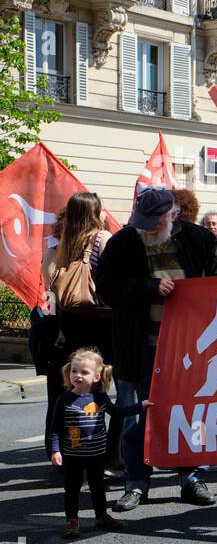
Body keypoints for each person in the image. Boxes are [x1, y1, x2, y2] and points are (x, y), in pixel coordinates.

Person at [95, 186, 217, 511]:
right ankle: (136, 482)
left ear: (170, 216)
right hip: (137, 345)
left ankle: (190, 478)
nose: (146, 229)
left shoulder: (200, 239)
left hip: (187, 349)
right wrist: (147, 288)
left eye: (153, 223)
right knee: (134, 416)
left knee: (186, 415)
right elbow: (106, 287)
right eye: (142, 222)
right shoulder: (124, 241)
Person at [41, 193, 116, 462]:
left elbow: (51, 287)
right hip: (99, 325)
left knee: (65, 392)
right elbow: (111, 283)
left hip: (66, 326)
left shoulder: (56, 247)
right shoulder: (102, 239)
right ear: (95, 213)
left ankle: (59, 451)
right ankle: (95, 450)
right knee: (95, 392)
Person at [49, 347, 149, 538]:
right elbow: (56, 429)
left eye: (83, 372)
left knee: (97, 486)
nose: (77, 375)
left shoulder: (100, 398)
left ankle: (101, 515)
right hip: (72, 455)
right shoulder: (64, 400)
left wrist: (140, 406)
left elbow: (118, 412)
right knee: (72, 488)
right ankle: (72, 520)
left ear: (96, 377)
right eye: (74, 371)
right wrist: (56, 450)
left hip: (96, 454)